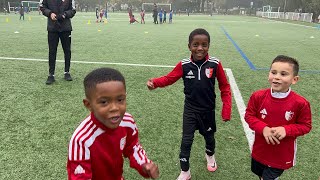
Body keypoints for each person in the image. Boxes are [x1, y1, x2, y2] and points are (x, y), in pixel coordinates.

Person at [146, 28, 232, 180]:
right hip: (190, 110)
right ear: (189, 46)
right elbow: (169, 78)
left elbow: (224, 87)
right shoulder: (184, 65)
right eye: (196, 44)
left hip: (207, 111)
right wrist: (155, 83)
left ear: (209, 46)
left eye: (204, 45)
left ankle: (210, 155)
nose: (200, 48)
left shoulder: (215, 64)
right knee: (186, 141)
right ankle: (185, 171)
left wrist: (226, 109)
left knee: (209, 138)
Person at [67, 67, 160, 180]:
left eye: (120, 100)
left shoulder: (127, 121)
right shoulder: (81, 140)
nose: (114, 108)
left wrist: (144, 164)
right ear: (88, 105)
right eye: (104, 102)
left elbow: (132, 147)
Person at [245, 55, 312, 180]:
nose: (276, 77)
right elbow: (249, 115)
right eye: (273, 72)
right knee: (259, 173)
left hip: (281, 155)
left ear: (294, 79)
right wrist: (263, 128)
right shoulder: (258, 96)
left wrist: (286, 130)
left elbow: (305, 126)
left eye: (283, 74)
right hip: (260, 150)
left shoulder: (300, 103)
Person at [40, 0, 76, 85]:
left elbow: (73, 10)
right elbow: (42, 7)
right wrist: (50, 13)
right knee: (52, 51)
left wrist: (65, 14)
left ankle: (67, 72)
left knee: (67, 51)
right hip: (52, 28)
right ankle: (51, 75)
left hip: (66, 28)